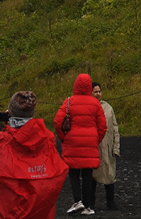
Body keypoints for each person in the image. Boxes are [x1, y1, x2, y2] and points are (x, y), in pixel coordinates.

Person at [0, 91, 66, 219]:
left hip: (11, 211)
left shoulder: (2, 143)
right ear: (33, 113)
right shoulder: (47, 137)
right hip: (42, 209)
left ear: (9, 113)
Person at [55, 72, 106, 215]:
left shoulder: (69, 101)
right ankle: (88, 206)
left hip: (72, 142)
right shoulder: (95, 103)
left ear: (75, 85)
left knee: (73, 172)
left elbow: (57, 122)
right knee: (88, 174)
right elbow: (103, 126)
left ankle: (78, 201)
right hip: (90, 143)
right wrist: (96, 139)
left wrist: (63, 138)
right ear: (89, 87)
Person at [91, 81, 120, 212]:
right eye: (95, 92)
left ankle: (111, 202)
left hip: (107, 147)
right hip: (93, 147)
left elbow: (115, 128)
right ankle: (90, 203)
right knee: (91, 177)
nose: (98, 94)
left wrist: (116, 147)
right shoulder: (87, 108)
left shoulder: (108, 107)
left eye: (99, 91)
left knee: (109, 175)